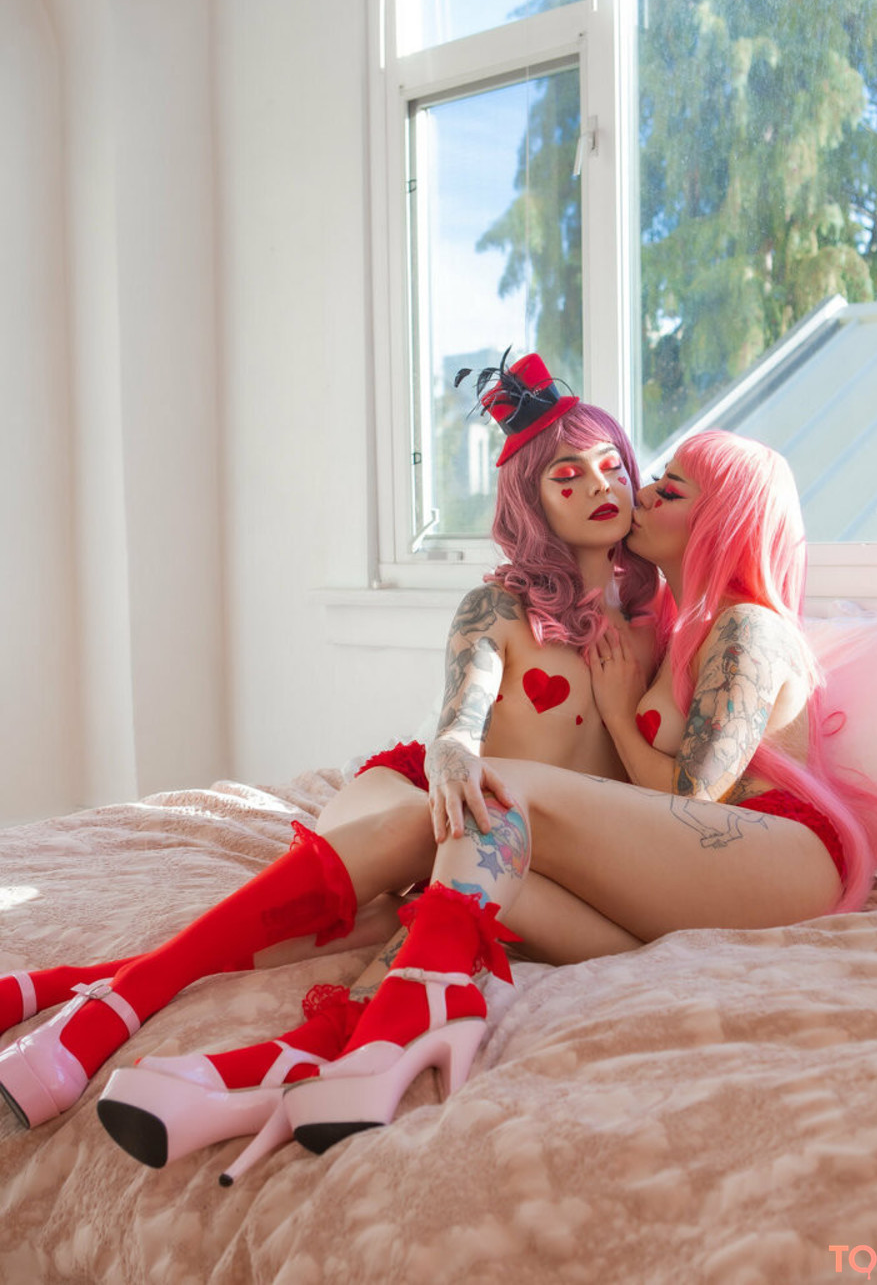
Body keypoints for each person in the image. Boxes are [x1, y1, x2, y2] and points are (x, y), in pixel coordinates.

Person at [0, 351, 662, 1179]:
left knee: (402, 914)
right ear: (532, 500)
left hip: (523, 848)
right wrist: (452, 754)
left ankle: (91, 990)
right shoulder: (497, 607)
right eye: (570, 475)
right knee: (432, 847)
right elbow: (459, 717)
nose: (602, 486)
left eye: (613, 466)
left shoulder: (654, 625)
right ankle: (130, 1004)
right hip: (445, 801)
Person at [278, 425, 877, 1155]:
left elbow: (692, 804)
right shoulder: (670, 629)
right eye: (651, 477)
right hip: (701, 876)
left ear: (717, 520)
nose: (639, 492)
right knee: (495, 885)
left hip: (773, 855)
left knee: (502, 800)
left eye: (669, 489)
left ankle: (369, 1035)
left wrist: (618, 713)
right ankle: (335, 1044)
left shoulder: (746, 629)